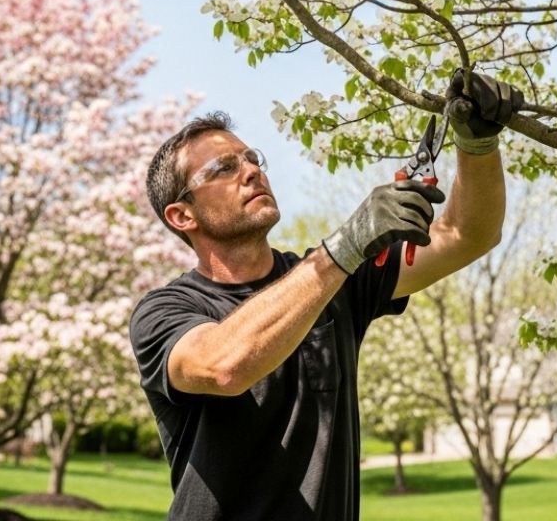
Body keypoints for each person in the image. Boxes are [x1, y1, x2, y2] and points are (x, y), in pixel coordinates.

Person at [130, 70, 524, 520]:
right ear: (182, 215)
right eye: (224, 168)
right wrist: (346, 247)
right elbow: (224, 367)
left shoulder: (336, 282)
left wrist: (477, 147)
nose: (252, 171)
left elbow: (467, 235)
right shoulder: (164, 312)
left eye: (251, 158)